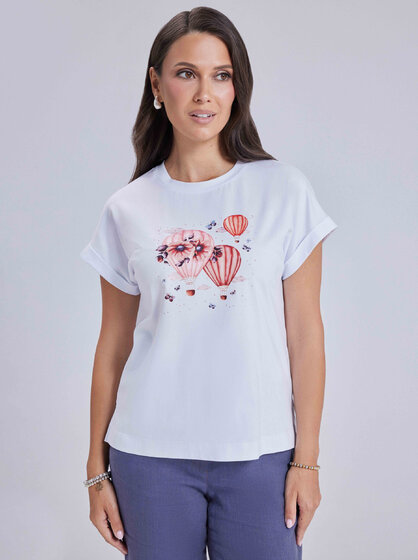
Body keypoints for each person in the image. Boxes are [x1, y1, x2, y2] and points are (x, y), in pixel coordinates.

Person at [80, 7, 338, 560]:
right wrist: (96, 469)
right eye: (186, 73)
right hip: (148, 457)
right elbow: (113, 347)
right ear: (157, 85)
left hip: (261, 456)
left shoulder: (284, 191)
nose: (205, 94)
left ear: (237, 88)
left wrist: (307, 459)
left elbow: (305, 335)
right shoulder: (127, 208)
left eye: (221, 75)